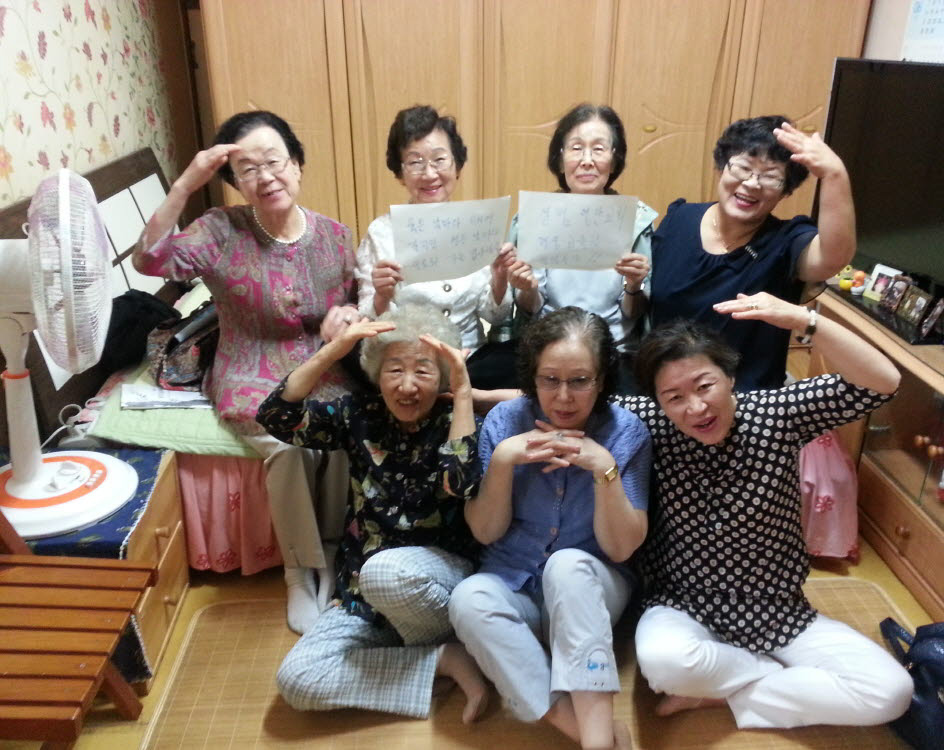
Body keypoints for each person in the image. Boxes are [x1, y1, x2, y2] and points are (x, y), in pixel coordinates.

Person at [620, 291, 913, 730]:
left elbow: (882, 382)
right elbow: (568, 405)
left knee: (891, 693)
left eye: (705, 385)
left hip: (779, 611)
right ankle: (765, 677)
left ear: (729, 376)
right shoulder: (648, 422)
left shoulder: (777, 413)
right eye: (674, 396)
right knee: (663, 664)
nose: (695, 407)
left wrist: (804, 320)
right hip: (682, 605)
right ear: (658, 402)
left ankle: (724, 692)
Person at [132, 110, 361, 634]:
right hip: (249, 365)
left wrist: (347, 315)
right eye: (248, 169)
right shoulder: (219, 230)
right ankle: (299, 572)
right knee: (287, 442)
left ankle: (331, 554)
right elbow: (150, 261)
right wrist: (187, 183)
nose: (266, 177)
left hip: (322, 363)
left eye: (274, 162)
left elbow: (353, 299)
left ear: (296, 164)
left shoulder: (333, 235)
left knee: (344, 424)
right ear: (235, 181)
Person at [256, 305, 488, 722]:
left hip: (437, 586)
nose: (407, 385)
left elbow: (461, 481)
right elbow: (276, 415)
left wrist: (464, 392)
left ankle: (437, 644)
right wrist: (333, 350)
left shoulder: (458, 420)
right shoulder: (358, 414)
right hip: (364, 595)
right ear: (377, 374)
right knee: (296, 679)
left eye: (423, 371)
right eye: (394, 370)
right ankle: (441, 660)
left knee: (384, 572)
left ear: (442, 376)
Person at [449, 307, 652, 750]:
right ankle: (587, 732)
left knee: (567, 566)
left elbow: (621, 550)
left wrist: (604, 467)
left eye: (580, 381)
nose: (563, 397)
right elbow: (485, 532)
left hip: (590, 589)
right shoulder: (505, 422)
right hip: (514, 585)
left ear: (601, 379)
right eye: (549, 380)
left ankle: (596, 740)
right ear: (531, 376)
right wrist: (503, 460)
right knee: (468, 598)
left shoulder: (626, 432)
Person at [648, 115, 857, 390]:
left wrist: (834, 175)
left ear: (785, 192)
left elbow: (832, 258)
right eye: (743, 167)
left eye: (771, 177)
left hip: (746, 405)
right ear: (722, 167)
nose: (752, 183)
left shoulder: (785, 242)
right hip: (668, 394)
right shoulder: (679, 218)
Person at [355, 104, 517, 389]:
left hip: (470, 359)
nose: (429, 174)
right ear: (400, 173)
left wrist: (500, 280)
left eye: (439, 160)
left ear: (457, 166)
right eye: (415, 162)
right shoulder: (381, 232)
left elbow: (494, 316)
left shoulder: (477, 225)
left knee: (520, 360)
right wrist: (381, 296)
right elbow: (369, 320)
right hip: (408, 363)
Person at [506, 103, 658, 394]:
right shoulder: (536, 217)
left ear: (614, 159)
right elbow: (529, 309)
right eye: (576, 148)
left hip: (614, 357)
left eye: (598, 149)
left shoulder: (635, 220)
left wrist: (634, 285)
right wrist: (526, 288)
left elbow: (634, 315)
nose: (587, 160)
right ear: (560, 158)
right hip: (547, 356)